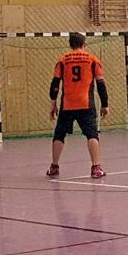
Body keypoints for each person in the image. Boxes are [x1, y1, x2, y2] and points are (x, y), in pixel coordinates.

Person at [45, 32, 109, 179]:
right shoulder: (92, 59)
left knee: (59, 135)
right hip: (86, 103)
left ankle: (54, 166)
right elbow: (100, 84)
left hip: (67, 104)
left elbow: (55, 84)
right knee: (92, 134)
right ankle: (95, 168)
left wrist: (53, 104)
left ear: (70, 44)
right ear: (84, 44)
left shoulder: (63, 60)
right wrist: (105, 104)